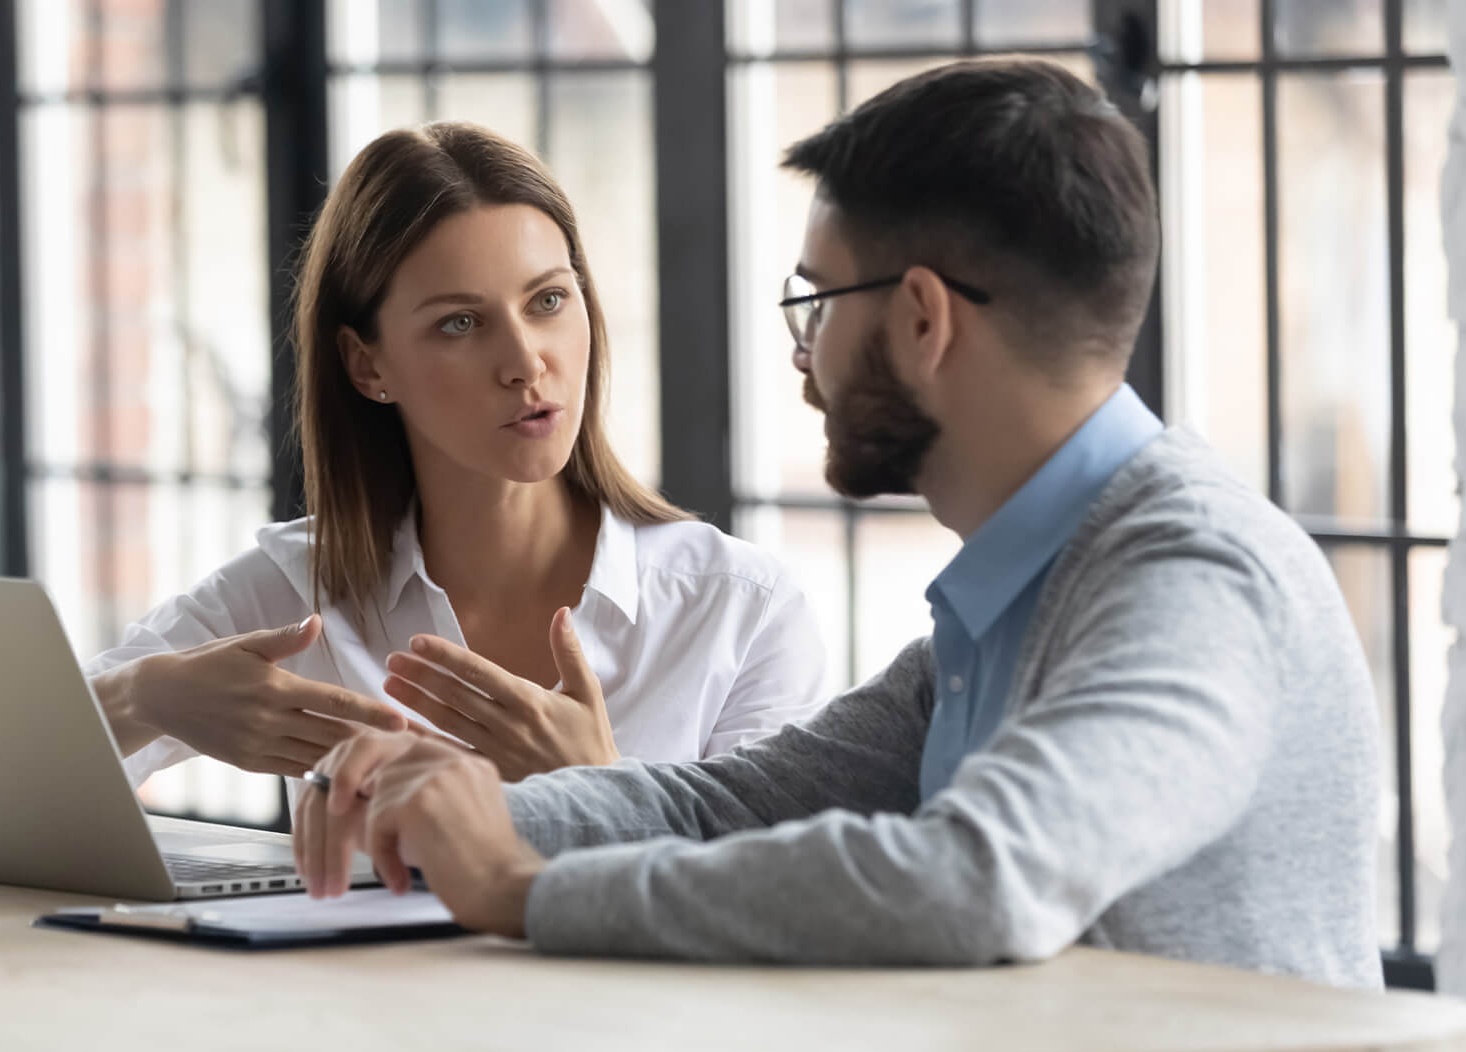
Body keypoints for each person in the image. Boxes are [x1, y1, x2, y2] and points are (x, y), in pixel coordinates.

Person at [292, 59, 1383, 989]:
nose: (800, 352)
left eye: (816, 303)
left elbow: (976, 880)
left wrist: (524, 888)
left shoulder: (1190, 573)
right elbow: (731, 806)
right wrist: (447, 806)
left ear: (920, 319)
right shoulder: (1017, 601)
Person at [84, 122, 829, 791]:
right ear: (367, 366)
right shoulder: (298, 595)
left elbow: (771, 900)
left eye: (547, 301)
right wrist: (148, 698)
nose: (525, 362)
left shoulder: (738, 609)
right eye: (461, 323)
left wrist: (597, 784)